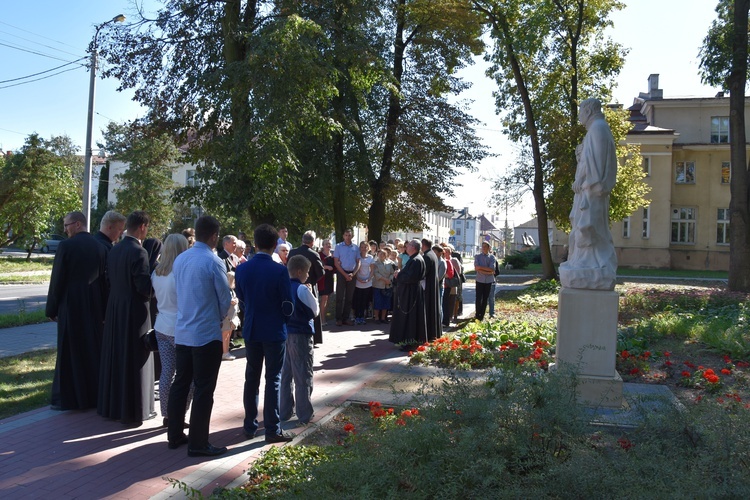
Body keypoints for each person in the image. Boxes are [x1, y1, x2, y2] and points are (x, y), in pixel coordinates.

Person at [167, 215, 231, 457]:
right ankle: (198, 442)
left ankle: (174, 434)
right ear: (214, 236)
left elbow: (177, 292)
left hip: (183, 331)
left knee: (180, 383)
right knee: (204, 388)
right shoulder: (213, 262)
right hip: (205, 334)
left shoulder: (181, 259)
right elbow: (224, 300)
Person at [235, 224, 295, 444]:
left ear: (257, 243)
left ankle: (250, 425)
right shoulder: (279, 270)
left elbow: (241, 297)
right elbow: (288, 305)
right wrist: (282, 321)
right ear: (274, 245)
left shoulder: (242, 269)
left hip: (252, 328)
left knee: (251, 378)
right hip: (274, 329)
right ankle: (272, 429)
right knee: (273, 379)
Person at [46, 211, 108, 411]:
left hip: (71, 305)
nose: (65, 229)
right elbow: (105, 282)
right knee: (91, 349)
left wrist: (52, 308)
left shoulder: (66, 246)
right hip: (93, 305)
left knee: (70, 350)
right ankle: (93, 395)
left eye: (67, 225)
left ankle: (69, 398)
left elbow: (57, 280)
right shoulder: (100, 247)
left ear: (79, 224)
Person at [98, 211, 155, 425]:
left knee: (117, 356)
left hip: (115, 308)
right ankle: (135, 409)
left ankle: (113, 406)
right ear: (142, 227)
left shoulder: (114, 250)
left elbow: (108, 279)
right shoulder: (139, 252)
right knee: (135, 357)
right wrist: (155, 283)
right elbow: (143, 287)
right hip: (134, 312)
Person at [560, 97, 618, 291]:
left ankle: (595, 265)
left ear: (589, 111)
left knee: (590, 228)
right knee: (582, 226)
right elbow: (589, 160)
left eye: (581, 112)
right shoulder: (596, 129)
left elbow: (599, 164)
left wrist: (587, 183)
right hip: (587, 189)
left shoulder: (598, 128)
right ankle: (583, 262)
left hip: (592, 191)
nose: (579, 117)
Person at [151, 233, 193, 427]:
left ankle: (167, 414)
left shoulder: (157, 272)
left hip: (161, 325)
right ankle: (179, 411)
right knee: (188, 374)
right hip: (179, 328)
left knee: (167, 371)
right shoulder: (180, 273)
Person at [279, 255, 320, 425]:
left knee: (286, 374)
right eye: (307, 272)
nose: (308, 275)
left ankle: (284, 410)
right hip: (301, 334)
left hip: (284, 333)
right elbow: (315, 310)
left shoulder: (281, 286)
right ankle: (304, 413)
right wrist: (309, 292)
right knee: (303, 374)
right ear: (299, 271)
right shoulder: (302, 289)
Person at [389, 239, 427, 349]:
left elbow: (411, 277)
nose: (406, 247)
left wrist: (398, 275)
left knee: (410, 318)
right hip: (410, 292)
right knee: (410, 317)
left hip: (411, 293)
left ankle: (410, 341)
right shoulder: (414, 259)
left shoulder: (416, 260)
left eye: (409, 245)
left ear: (414, 248)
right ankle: (408, 340)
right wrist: (400, 273)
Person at [289, 231, 325, 343]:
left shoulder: (292, 252)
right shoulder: (314, 254)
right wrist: (312, 281)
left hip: (293, 285)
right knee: (312, 309)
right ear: (312, 242)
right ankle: (315, 338)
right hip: (309, 285)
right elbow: (321, 272)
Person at [334, 228, 360, 326]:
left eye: (349, 235)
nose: (348, 237)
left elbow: (359, 262)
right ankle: (338, 318)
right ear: (343, 236)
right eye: (346, 235)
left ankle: (346, 318)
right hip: (341, 273)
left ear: (352, 236)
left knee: (349, 298)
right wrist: (345, 274)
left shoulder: (355, 248)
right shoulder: (338, 247)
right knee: (339, 297)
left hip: (352, 273)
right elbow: (336, 262)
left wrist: (353, 274)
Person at [421, 238, 441, 341]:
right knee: (433, 309)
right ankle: (433, 333)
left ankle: (428, 333)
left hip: (428, 287)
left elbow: (423, 273)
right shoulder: (433, 255)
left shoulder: (427, 256)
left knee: (428, 310)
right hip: (433, 286)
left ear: (423, 245)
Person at [473, 242, 497, 322]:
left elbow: (492, 269)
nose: (483, 248)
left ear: (489, 248)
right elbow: (476, 268)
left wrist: (481, 269)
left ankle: (481, 315)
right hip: (479, 280)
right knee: (478, 298)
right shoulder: (477, 257)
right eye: (482, 246)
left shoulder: (492, 257)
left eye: (485, 247)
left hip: (489, 281)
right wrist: (488, 272)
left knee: (485, 298)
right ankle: (477, 314)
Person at [353, 241, 374, 325]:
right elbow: (355, 269)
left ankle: (362, 317)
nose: (363, 249)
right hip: (358, 282)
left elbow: (372, 270)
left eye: (365, 247)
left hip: (367, 282)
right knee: (358, 300)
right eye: (362, 247)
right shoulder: (357, 257)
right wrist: (358, 278)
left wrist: (368, 279)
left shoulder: (371, 258)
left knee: (364, 301)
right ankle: (357, 316)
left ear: (368, 248)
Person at [371, 248, 395, 324]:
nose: (382, 255)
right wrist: (385, 279)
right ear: (378, 254)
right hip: (378, 285)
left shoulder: (389, 263)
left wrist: (389, 280)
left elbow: (392, 273)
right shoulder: (375, 263)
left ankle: (383, 318)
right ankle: (377, 318)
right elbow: (375, 273)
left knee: (386, 302)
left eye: (383, 254)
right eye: (380, 254)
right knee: (378, 302)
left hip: (387, 285)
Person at [221, 272, 241, 361]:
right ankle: (225, 352)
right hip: (226, 317)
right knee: (225, 334)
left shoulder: (231, 290)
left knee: (228, 334)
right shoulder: (225, 290)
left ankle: (226, 351)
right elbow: (225, 300)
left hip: (231, 317)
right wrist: (232, 301)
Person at [317, 239, 335, 326]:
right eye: (326, 244)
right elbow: (317, 266)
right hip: (322, 279)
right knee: (323, 299)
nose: (328, 246)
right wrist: (326, 267)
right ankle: (322, 319)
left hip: (330, 279)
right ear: (323, 245)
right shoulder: (319, 255)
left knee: (327, 299)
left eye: (329, 244)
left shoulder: (333, 255)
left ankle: (324, 317)